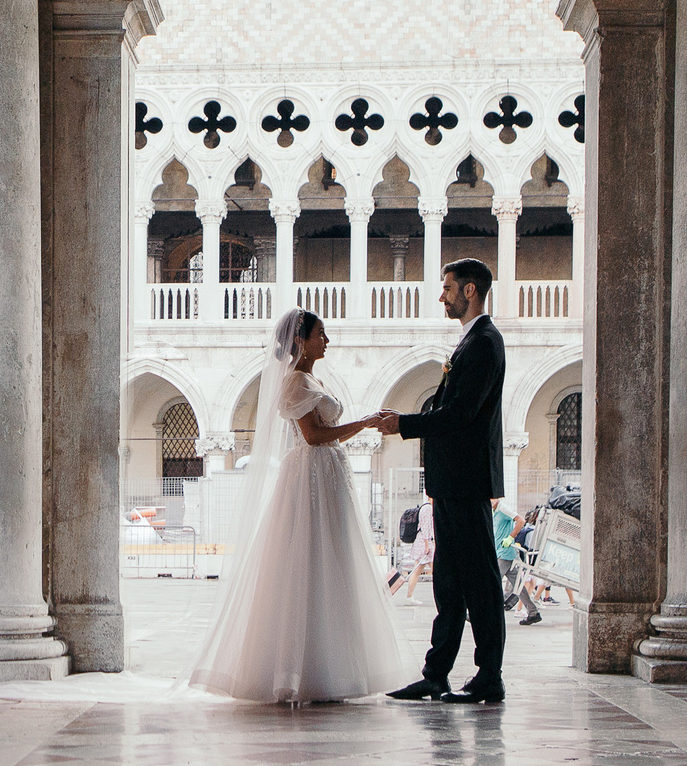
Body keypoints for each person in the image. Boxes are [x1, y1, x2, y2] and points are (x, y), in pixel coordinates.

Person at [186, 309, 404, 704]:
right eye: (322, 333)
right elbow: (314, 434)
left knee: (334, 562)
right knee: (307, 559)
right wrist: (363, 423)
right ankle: (297, 669)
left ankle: (334, 665)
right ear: (302, 340)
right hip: (311, 475)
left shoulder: (312, 379)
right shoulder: (294, 382)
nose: (328, 340)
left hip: (328, 474)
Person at [364, 258, 509, 705]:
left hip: (466, 482)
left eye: (447, 288)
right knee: (448, 581)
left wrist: (403, 423)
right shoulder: (471, 342)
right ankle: (436, 673)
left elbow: (461, 414)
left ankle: (489, 676)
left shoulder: (485, 342)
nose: (442, 296)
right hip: (453, 483)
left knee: (480, 581)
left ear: (470, 291)